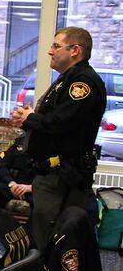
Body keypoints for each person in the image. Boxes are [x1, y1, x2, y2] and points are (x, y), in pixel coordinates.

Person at [11, 27, 106, 251]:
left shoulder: (83, 82)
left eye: (55, 46)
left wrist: (31, 117)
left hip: (62, 177)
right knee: (41, 235)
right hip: (49, 174)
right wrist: (28, 118)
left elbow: (60, 123)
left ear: (75, 50)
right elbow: (52, 119)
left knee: (51, 243)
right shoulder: (67, 79)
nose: (49, 51)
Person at [0, 134, 35, 209]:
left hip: (33, 188)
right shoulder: (18, 141)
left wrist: (31, 187)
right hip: (13, 186)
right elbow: (2, 166)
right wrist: (12, 184)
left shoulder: (51, 144)